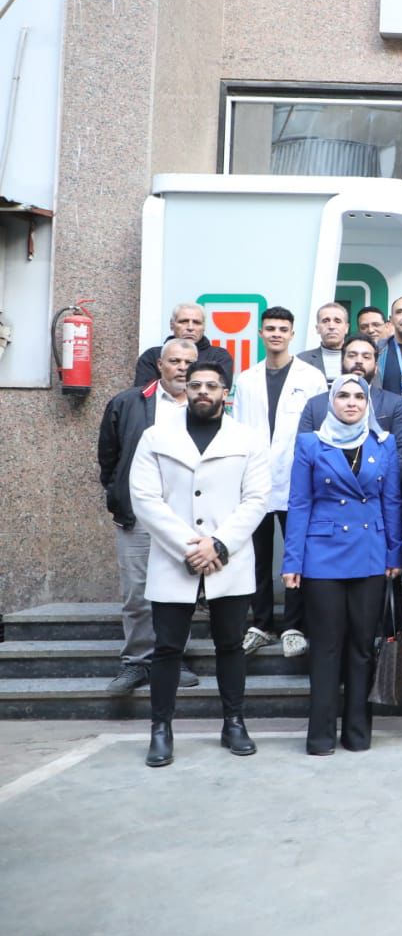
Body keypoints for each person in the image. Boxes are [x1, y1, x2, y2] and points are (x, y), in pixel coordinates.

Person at [128, 361, 270, 767]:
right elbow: (145, 499)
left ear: (226, 393)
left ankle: (234, 723)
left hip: (229, 560)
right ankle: (160, 729)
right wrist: (189, 547)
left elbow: (257, 498)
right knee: (167, 648)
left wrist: (219, 545)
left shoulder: (248, 439)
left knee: (230, 645)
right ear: (185, 390)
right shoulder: (156, 436)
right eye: (195, 385)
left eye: (211, 385)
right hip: (176, 558)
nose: (203, 391)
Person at [281, 374, 402, 755]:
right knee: (326, 647)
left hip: (370, 554)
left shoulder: (383, 443)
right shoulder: (310, 443)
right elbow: (299, 503)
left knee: (362, 647)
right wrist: (292, 560)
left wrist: (394, 554)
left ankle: (357, 733)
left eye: (359, 397)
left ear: (368, 404)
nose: (351, 402)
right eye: (343, 396)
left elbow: (392, 501)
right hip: (322, 556)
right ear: (331, 402)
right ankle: (320, 736)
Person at [99, 339, 201, 693]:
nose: (182, 368)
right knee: (137, 593)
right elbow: (109, 458)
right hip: (139, 514)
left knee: (180, 590)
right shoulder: (129, 402)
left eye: (189, 362)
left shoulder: (206, 404)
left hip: (185, 517)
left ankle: (173, 657)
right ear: (160, 365)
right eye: (175, 361)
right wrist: (121, 494)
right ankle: (136, 662)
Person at [234, 307, 328, 660]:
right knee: (256, 556)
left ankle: (293, 627)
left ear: (292, 334)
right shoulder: (246, 380)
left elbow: (319, 430)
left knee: (296, 554)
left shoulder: (312, 377)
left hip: (297, 480)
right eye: (270, 328)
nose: (276, 334)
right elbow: (237, 429)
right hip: (254, 479)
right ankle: (261, 624)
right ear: (260, 333)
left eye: (282, 329)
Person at [297, 334, 402, 463]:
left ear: (376, 367)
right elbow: (303, 453)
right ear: (341, 363)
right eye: (352, 355)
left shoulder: (395, 405)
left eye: (366, 357)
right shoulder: (315, 405)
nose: (358, 361)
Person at [132, 301, 234, 388]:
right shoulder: (152, 356)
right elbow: (143, 395)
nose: (190, 327)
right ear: (172, 325)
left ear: (204, 327)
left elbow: (218, 392)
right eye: (184, 321)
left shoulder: (219, 356)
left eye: (196, 322)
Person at [297, 302, 349, 384]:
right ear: (317, 328)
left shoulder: (358, 359)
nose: (331, 326)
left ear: (346, 328)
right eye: (325, 321)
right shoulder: (301, 360)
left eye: (337, 321)